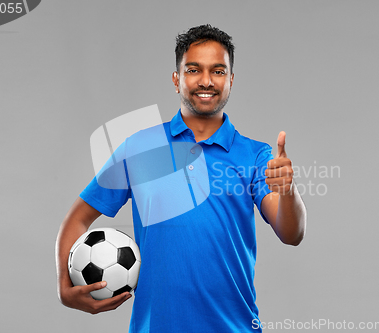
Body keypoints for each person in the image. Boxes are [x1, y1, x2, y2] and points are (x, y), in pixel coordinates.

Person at [56, 24, 306, 332]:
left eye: (217, 71)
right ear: (177, 80)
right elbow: (78, 218)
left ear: (230, 80)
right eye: (193, 70)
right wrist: (64, 286)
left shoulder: (255, 155)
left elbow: (291, 233)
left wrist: (289, 191)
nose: (205, 81)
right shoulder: (139, 147)